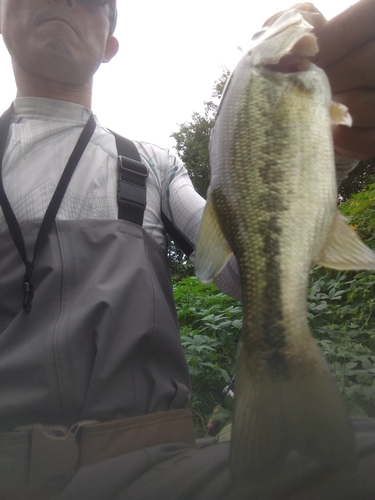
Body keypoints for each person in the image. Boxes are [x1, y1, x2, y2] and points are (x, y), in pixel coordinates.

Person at [0, 0, 374, 499]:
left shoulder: (151, 164)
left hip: (153, 469)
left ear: (110, 46)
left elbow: (246, 274)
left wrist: (329, 153)